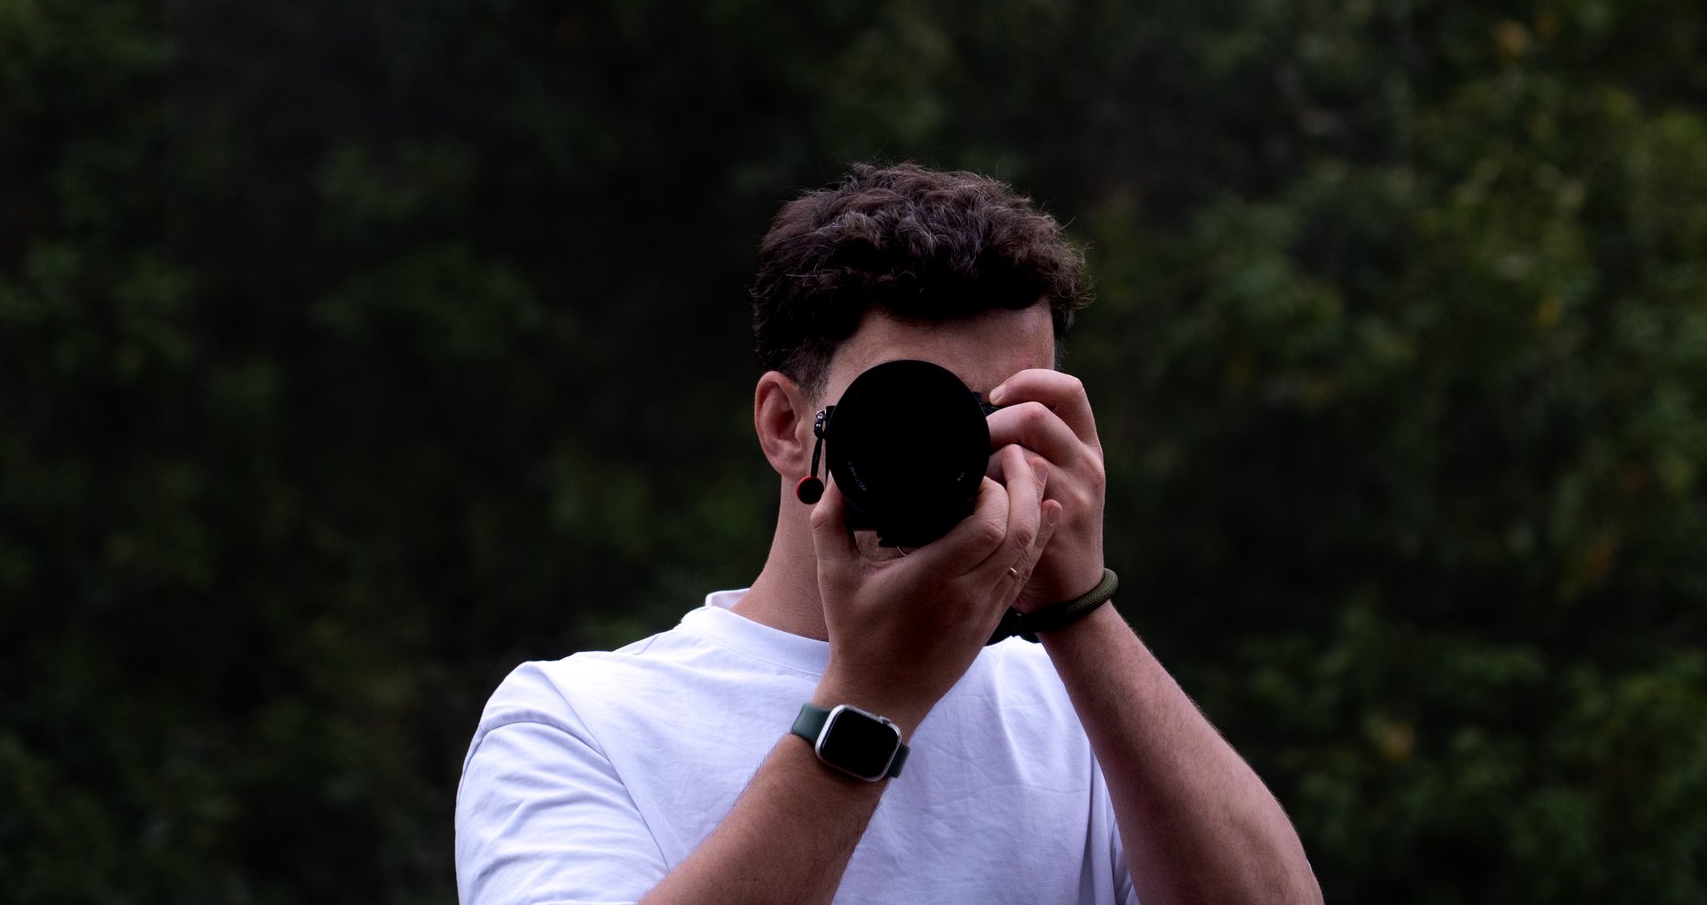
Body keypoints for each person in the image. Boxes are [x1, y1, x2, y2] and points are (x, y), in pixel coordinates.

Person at [455, 163, 1322, 905]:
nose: (958, 453)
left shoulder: (1082, 709)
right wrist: (868, 706)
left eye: (1002, 417)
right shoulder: (575, 721)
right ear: (786, 424)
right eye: (910, 412)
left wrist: (1079, 607)